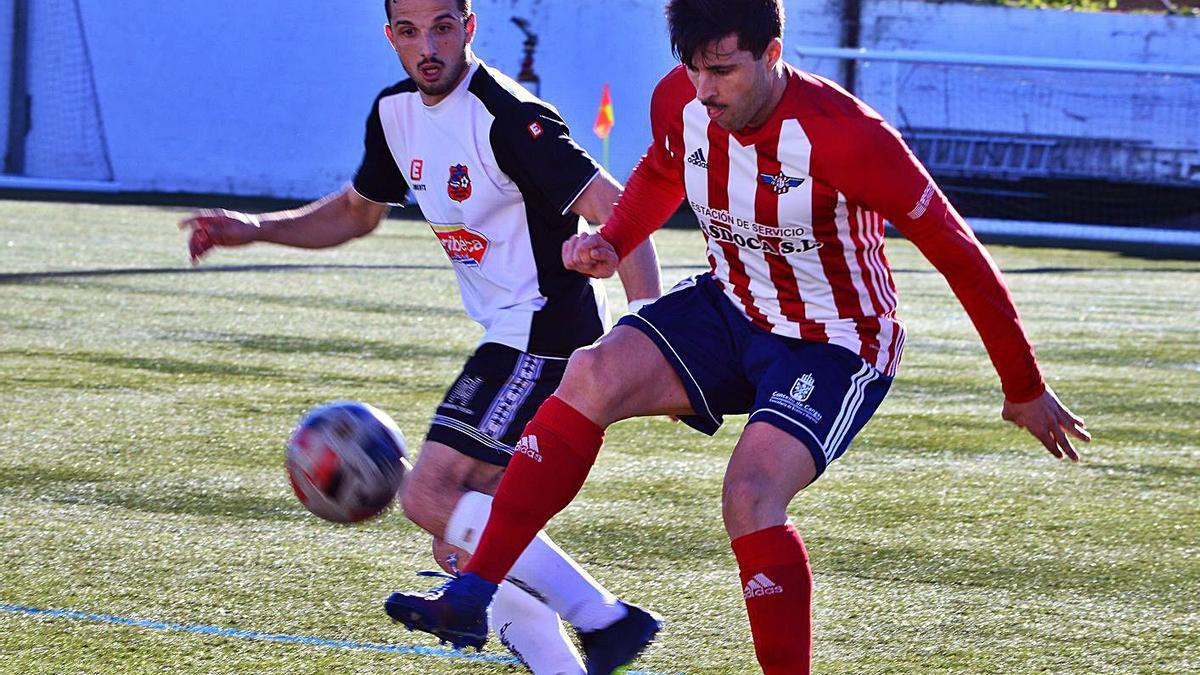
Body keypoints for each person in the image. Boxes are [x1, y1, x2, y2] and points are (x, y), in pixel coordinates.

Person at [384, 0, 1095, 673]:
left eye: (723, 69)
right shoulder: (682, 99)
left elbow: (958, 253)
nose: (704, 88)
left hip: (835, 339)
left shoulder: (848, 136)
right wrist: (616, 238)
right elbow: (663, 167)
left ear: (773, 53)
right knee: (591, 371)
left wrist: (1023, 387)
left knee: (750, 495)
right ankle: (473, 593)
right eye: (694, 67)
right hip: (731, 305)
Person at [178, 0, 665, 672]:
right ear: (392, 38)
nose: (427, 46)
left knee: (430, 493)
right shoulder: (395, 114)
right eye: (409, 32)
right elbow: (355, 213)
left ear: (468, 26)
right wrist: (255, 228)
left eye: (442, 27)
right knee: (461, 539)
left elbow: (613, 205)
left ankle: (607, 619)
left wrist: (647, 327)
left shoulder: (507, 115)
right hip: (510, 329)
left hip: (546, 329)